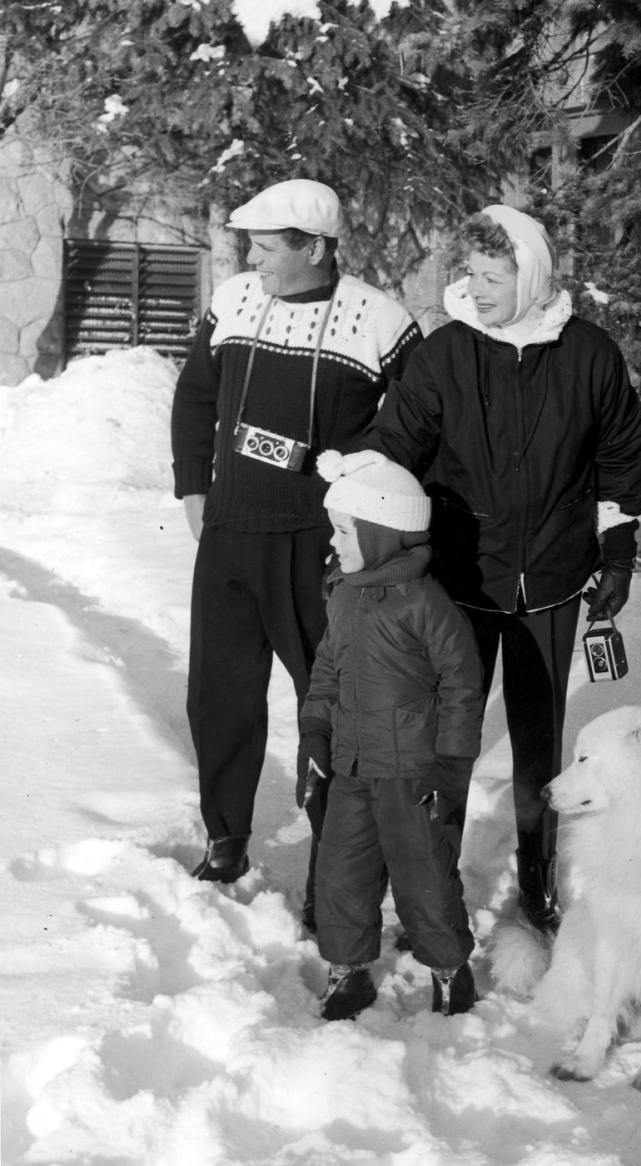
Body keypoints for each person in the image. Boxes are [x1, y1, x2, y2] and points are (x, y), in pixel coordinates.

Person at [363, 204, 641, 935]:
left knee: (537, 746)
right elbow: (394, 450)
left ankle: (535, 885)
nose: (479, 288)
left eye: (495, 275)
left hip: (552, 579)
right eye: (473, 274)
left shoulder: (589, 355)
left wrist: (617, 550)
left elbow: (619, 460)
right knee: (449, 743)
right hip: (459, 579)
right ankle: (429, 891)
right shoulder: (446, 353)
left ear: (533, 275)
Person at [170, 179, 422, 893]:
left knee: (334, 709)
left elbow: (416, 425)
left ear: (314, 246)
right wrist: (194, 486)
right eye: (249, 242)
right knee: (218, 697)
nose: (251, 257)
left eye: (265, 245)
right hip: (229, 533)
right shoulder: (233, 301)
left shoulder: (380, 319)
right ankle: (224, 840)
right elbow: (194, 395)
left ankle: (334, 868)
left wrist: (357, 485)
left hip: (319, 548)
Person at [298, 449, 485, 1020]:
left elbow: (462, 686)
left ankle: (451, 971)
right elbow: (327, 670)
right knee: (340, 874)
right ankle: (349, 972)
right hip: (352, 767)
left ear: (382, 534)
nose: (334, 544)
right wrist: (314, 735)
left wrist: (451, 765)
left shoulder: (425, 604)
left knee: (424, 876)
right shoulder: (344, 594)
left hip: (412, 773)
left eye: (344, 532)